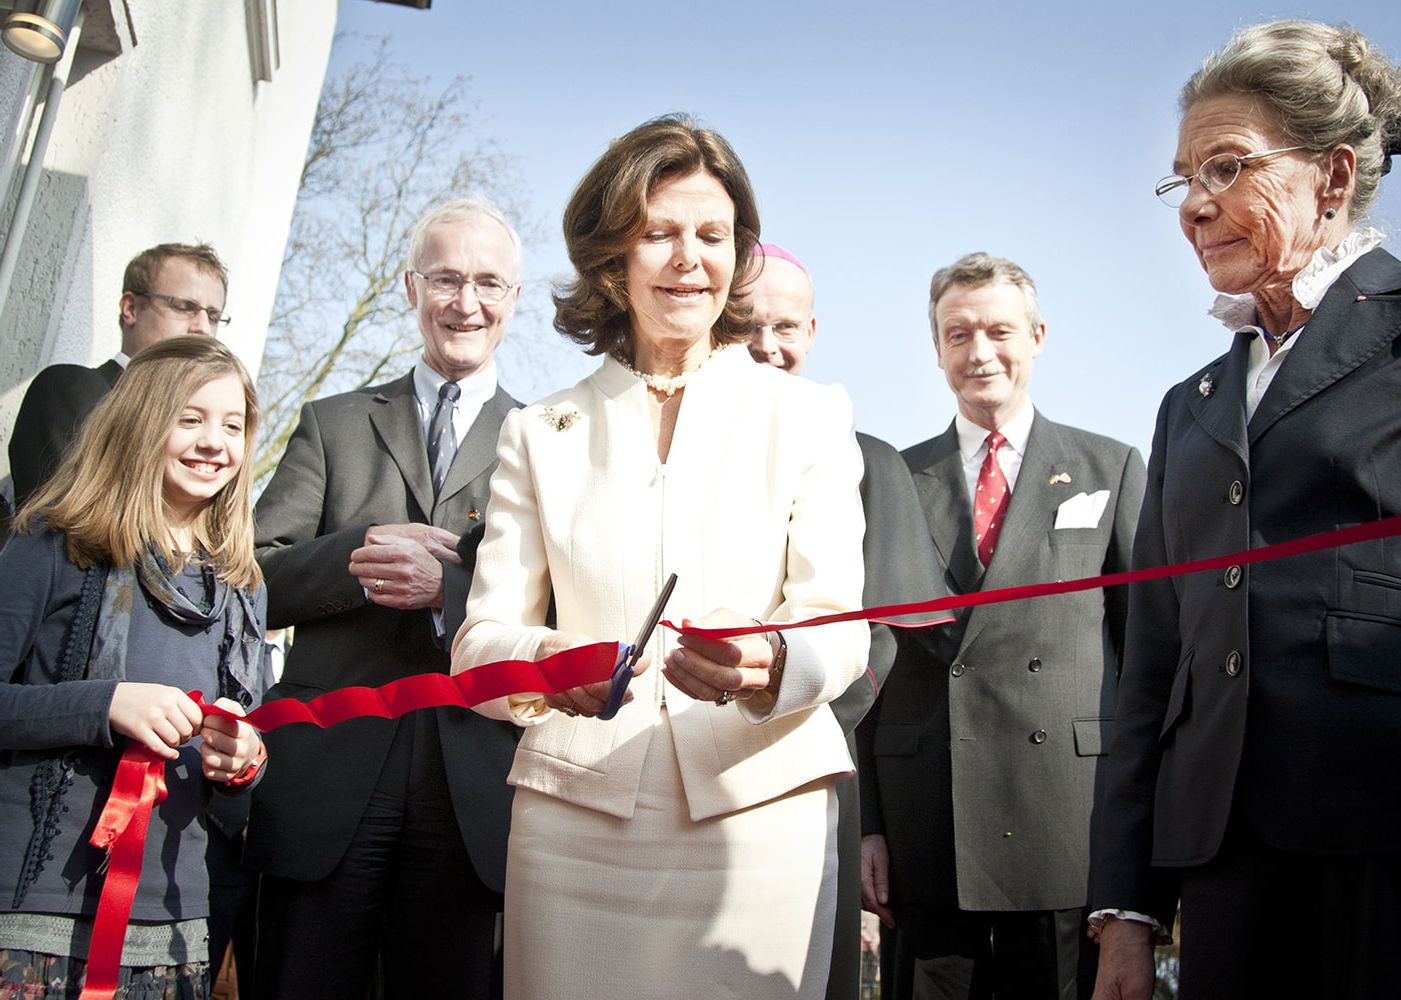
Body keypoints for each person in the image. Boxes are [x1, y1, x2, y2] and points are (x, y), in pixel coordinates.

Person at [452, 115, 868, 1000]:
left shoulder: (809, 413)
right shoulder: (537, 431)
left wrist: (770, 658)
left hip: (761, 811)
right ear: (612, 259)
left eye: (712, 236)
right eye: (659, 234)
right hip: (573, 821)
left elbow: (841, 626)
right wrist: (545, 665)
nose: (689, 258)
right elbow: (479, 641)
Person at [1091, 21, 1401, 1000]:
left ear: (1334, 176)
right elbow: (1148, 669)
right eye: (1183, 179)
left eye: (1226, 167)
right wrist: (1126, 911)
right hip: (1223, 868)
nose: (1194, 207)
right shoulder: (1191, 407)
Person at [247, 197, 523, 1000]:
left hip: (470, 786)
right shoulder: (332, 424)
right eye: (444, 279)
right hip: (328, 775)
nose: (463, 303)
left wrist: (452, 591)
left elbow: (560, 612)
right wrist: (355, 559)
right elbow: (250, 584)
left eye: (486, 283)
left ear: (512, 299)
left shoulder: (547, 441)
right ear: (410, 288)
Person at [858, 253, 1145, 1000]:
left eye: (997, 331)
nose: (978, 353)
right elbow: (866, 659)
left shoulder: (1108, 468)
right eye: (957, 335)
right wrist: (867, 824)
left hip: (1064, 816)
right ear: (936, 349)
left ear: (1037, 336)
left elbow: (1148, 654)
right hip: (925, 821)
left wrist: (1135, 843)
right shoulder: (890, 475)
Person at [0, 335, 266, 997]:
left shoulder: (243, 587)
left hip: (175, 925)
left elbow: (240, 776)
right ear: (140, 422)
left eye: (232, 425)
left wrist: (240, 762)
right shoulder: (55, 542)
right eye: (190, 418)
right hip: (37, 915)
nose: (214, 442)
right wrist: (105, 704)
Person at [747, 242, 948, 1000]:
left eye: (786, 327)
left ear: (813, 332)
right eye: (749, 325)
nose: (769, 346)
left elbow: (884, 652)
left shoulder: (868, 461)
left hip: (814, 767)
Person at [8, 243, 231, 511]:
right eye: (184, 307)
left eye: (214, 316)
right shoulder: (71, 391)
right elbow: (66, 522)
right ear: (131, 309)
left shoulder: (210, 439)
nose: (203, 328)